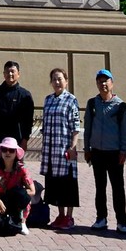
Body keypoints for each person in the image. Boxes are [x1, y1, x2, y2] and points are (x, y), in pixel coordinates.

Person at [84, 68, 126, 233]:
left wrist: (124, 150)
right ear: (97, 84)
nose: (103, 84)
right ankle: (101, 218)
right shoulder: (92, 104)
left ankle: (122, 221)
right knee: (100, 187)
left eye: (106, 81)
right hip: (97, 151)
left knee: (118, 188)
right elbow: (88, 128)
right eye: (100, 81)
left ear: (112, 83)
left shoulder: (120, 105)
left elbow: (124, 130)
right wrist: (87, 148)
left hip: (114, 152)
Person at [40, 67, 80, 231]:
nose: (57, 82)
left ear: (66, 81)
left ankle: (69, 216)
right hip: (50, 149)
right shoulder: (48, 100)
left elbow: (75, 126)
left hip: (64, 149)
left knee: (67, 183)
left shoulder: (71, 100)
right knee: (55, 183)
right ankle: (60, 214)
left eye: (60, 79)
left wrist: (72, 147)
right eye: (54, 79)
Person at [0, 61, 34, 161]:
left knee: (16, 168)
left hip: (17, 141)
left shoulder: (25, 95)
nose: (10, 74)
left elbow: (28, 120)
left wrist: (25, 139)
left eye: (13, 71)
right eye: (7, 72)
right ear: (4, 74)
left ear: (18, 74)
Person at [0, 137, 35, 235]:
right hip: (0, 199)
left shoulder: (22, 170)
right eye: (4, 149)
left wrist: (17, 194)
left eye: (11, 150)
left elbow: (32, 191)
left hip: (15, 201)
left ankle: (22, 222)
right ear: (1, 152)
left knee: (24, 197)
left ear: (16, 153)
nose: (7, 152)